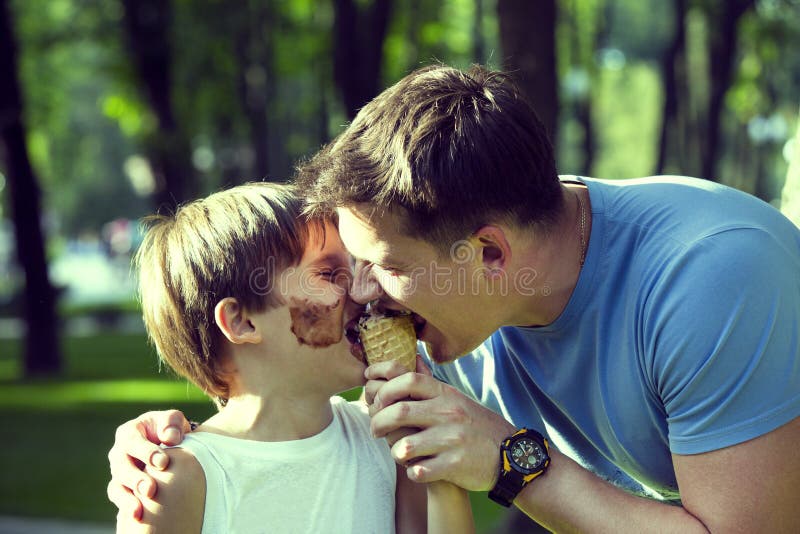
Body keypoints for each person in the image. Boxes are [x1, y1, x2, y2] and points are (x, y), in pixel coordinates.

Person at [109, 65, 800, 532]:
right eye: (348, 265)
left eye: (383, 266)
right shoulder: (447, 308)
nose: (363, 292)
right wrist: (156, 449)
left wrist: (513, 461)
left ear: (491, 254)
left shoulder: (712, 278)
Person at [115, 181, 474, 533]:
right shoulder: (180, 479)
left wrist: (437, 465)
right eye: (329, 273)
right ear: (241, 321)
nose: (364, 291)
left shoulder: (388, 436)